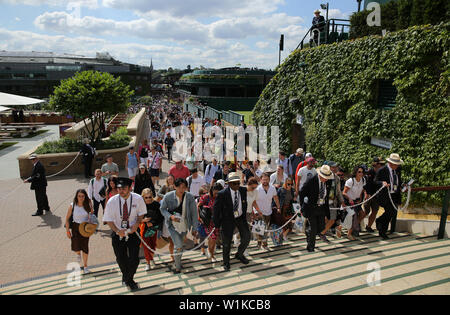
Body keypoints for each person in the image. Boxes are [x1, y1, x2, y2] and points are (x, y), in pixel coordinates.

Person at [103, 177, 147, 291]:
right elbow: (108, 219)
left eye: (124, 188)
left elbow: (141, 214)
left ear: (130, 188)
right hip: (118, 233)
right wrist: (117, 231)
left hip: (133, 232)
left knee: (134, 259)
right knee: (121, 258)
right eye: (119, 188)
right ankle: (127, 277)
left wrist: (136, 224)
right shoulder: (112, 201)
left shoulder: (138, 199)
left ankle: (128, 279)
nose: (121, 191)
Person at [160, 178, 199, 274]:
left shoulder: (189, 197)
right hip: (172, 225)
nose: (181, 190)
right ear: (174, 187)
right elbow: (162, 209)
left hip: (185, 225)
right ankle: (177, 266)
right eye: (179, 187)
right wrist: (171, 216)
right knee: (178, 244)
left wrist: (194, 228)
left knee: (180, 245)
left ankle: (178, 260)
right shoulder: (168, 196)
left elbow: (194, 213)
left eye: (184, 187)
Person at [213, 172, 251, 271]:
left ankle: (239, 254)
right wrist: (217, 225)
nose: (237, 185)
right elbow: (216, 210)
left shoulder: (243, 190)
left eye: (238, 183)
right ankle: (226, 262)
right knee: (226, 242)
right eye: (234, 183)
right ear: (229, 184)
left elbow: (244, 203)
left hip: (240, 217)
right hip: (227, 220)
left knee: (247, 237)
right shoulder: (222, 194)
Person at [299, 165, 334, 252]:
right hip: (311, 207)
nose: (326, 179)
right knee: (314, 228)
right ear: (320, 175)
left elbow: (326, 195)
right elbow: (302, 192)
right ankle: (311, 247)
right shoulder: (312, 180)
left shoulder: (328, 182)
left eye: (327, 177)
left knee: (321, 228)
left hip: (321, 207)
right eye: (324, 177)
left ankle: (308, 231)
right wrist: (302, 205)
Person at [64, 189, 94, 274]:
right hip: (75, 227)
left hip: (85, 228)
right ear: (76, 197)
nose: (81, 198)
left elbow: (92, 216)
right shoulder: (72, 205)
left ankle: (85, 266)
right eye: (79, 196)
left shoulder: (88, 205)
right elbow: (66, 219)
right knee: (76, 246)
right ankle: (78, 254)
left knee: (85, 247)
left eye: (82, 196)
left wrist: (91, 223)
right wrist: (67, 231)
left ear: (85, 197)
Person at [375, 153, 404, 240]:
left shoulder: (398, 170)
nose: (397, 166)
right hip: (385, 195)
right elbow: (375, 182)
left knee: (392, 212)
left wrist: (402, 185)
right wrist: (382, 183)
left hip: (394, 194)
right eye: (396, 164)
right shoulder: (382, 170)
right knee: (390, 211)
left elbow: (398, 180)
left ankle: (380, 223)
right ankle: (382, 231)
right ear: (391, 163)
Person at [255, 172, 281, 250]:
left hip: (268, 211)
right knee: (261, 228)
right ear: (260, 180)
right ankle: (263, 243)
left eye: (267, 179)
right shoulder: (257, 189)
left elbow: (275, 198)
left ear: (269, 180)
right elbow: (254, 201)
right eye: (264, 180)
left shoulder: (272, 188)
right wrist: (256, 211)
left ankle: (261, 242)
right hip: (259, 211)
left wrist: (278, 207)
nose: (265, 181)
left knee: (266, 228)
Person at [197, 183, 223, 262]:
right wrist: (198, 217)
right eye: (215, 193)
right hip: (208, 221)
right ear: (212, 190)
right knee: (212, 238)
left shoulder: (221, 197)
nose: (216, 194)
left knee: (214, 239)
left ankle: (210, 251)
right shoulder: (206, 197)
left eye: (218, 193)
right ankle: (211, 255)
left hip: (217, 221)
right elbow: (198, 206)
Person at [320, 161, 346, 240]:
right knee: (325, 218)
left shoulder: (337, 178)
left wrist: (342, 201)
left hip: (333, 201)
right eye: (333, 167)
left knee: (332, 219)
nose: (334, 169)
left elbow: (338, 191)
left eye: (335, 167)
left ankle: (322, 232)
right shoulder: (323, 177)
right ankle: (323, 232)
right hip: (323, 201)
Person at [139, 188, 164, 271]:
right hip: (144, 228)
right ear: (143, 197)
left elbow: (161, 217)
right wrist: (143, 220)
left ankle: (151, 259)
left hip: (154, 228)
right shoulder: (140, 205)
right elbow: (135, 218)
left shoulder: (156, 204)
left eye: (150, 197)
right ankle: (148, 263)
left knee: (153, 246)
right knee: (146, 246)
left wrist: (153, 223)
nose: (148, 199)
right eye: (146, 197)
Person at [343, 165, 367, 240]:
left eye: (362, 172)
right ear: (355, 172)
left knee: (362, 214)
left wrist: (361, 196)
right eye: (359, 172)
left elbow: (362, 189)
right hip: (350, 202)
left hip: (357, 201)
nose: (361, 173)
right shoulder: (350, 181)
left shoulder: (363, 180)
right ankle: (349, 234)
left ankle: (352, 228)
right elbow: (344, 192)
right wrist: (349, 199)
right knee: (353, 217)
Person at [363, 157, 386, 232]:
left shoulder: (382, 172)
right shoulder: (370, 172)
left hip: (377, 195)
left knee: (375, 211)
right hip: (369, 194)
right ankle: (355, 226)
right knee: (366, 212)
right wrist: (366, 193)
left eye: (383, 164)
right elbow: (366, 184)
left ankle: (369, 226)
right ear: (376, 164)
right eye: (381, 164)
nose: (382, 165)